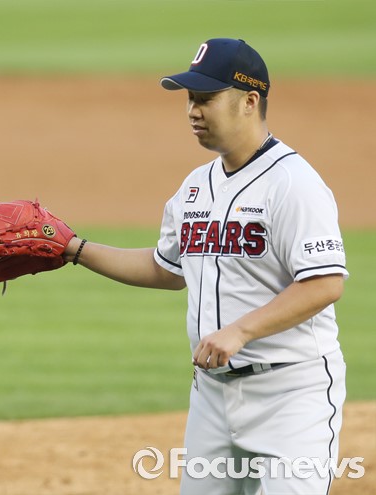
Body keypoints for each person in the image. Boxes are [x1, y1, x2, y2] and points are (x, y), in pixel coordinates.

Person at [62, 38, 348, 494]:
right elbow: (166, 269)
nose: (193, 111)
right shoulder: (196, 187)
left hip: (292, 395)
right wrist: (73, 248)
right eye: (190, 99)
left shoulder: (293, 184)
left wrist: (241, 331)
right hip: (212, 396)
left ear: (249, 101)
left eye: (205, 98)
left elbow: (325, 283)